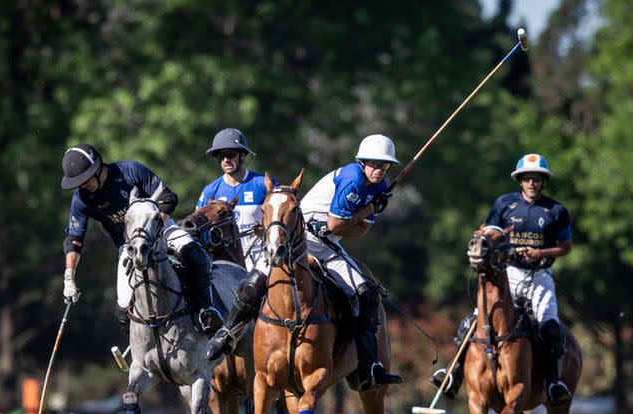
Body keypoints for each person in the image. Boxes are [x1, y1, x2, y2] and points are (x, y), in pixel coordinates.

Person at [205, 134, 402, 391]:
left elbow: (357, 232)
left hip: (329, 247)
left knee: (367, 294)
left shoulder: (379, 188)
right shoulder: (352, 178)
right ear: (362, 162)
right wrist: (369, 210)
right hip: (297, 241)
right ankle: (227, 334)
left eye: (384, 166)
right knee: (253, 283)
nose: (379, 170)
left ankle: (368, 368)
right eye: (374, 164)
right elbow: (336, 224)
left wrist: (362, 215)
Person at [432, 153, 573, 405]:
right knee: (471, 323)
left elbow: (566, 247)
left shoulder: (556, 211)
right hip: (508, 274)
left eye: (537, 179)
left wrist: (540, 252)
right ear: (520, 181)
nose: (532, 184)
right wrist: (482, 233)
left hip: (539, 276)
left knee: (550, 329)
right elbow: (489, 229)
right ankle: (453, 376)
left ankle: (553, 383)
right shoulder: (504, 204)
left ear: (543, 182)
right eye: (527, 179)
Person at [60, 143, 223, 337]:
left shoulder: (130, 171)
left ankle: (207, 311)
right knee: (122, 310)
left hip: (162, 229)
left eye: (84, 180)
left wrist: (155, 233)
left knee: (198, 257)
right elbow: (74, 240)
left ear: (96, 169)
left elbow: (168, 198)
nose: (82, 186)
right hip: (128, 246)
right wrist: (69, 278)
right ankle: (143, 348)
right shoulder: (82, 199)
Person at [197, 128, 275, 270]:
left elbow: (282, 219)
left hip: (262, 262)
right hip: (225, 266)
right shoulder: (210, 191)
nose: (226, 160)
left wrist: (264, 230)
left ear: (242, 156)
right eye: (221, 156)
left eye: (230, 154)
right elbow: (199, 230)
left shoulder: (263, 184)